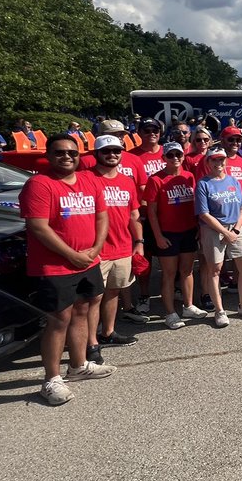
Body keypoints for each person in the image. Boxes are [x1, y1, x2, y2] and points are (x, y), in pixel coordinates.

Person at [20, 133, 113, 406]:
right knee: (59, 320)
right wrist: (72, 255)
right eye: (60, 153)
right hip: (56, 265)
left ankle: (79, 365)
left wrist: (95, 249)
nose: (67, 157)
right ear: (48, 156)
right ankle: (51, 379)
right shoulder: (39, 184)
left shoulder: (89, 180)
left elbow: (101, 216)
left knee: (83, 311)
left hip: (88, 261)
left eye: (72, 153)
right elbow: (38, 226)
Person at [86, 134, 142, 361]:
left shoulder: (127, 181)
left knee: (113, 293)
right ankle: (91, 342)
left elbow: (134, 215)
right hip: (95, 250)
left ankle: (108, 332)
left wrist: (139, 242)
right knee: (93, 298)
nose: (112, 155)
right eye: (106, 151)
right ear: (96, 154)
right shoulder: (85, 179)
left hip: (123, 247)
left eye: (116, 151)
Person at [145, 142, 204, 329]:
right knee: (169, 274)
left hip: (188, 230)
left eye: (178, 154)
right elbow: (151, 212)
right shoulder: (156, 180)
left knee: (187, 271)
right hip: (168, 233)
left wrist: (199, 227)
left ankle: (188, 305)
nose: (175, 158)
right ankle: (170, 313)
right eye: (170, 155)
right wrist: (158, 236)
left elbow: (196, 205)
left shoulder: (189, 177)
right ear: (164, 158)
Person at [195, 147, 242, 326]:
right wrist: (225, 232)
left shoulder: (233, 181)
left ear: (226, 161)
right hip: (213, 229)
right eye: (214, 160)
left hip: (236, 227)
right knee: (215, 269)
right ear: (208, 162)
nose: (218, 163)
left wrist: (235, 230)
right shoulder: (203, 184)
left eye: (221, 160)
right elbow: (204, 214)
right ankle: (219, 311)